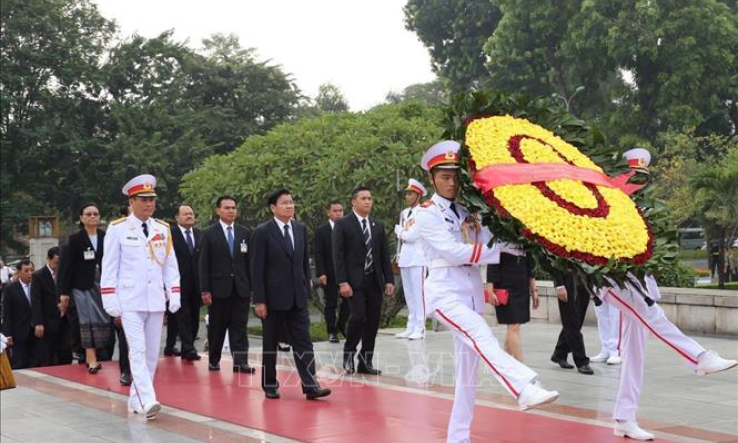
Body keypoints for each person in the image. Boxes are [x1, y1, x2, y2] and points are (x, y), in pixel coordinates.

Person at [414, 140, 559, 443]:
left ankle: (458, 437)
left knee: (467, 374)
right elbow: (453, 251)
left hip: (468, 291)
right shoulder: (426, 213)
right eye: (444, 177)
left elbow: (491, 237)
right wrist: (499, 251)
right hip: (443, 292)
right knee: (482, 334)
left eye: (455, 176)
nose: (451, 182)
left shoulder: (468, 210)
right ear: (432, 178)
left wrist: (520, 233)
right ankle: (523, 387)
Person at [598, 274, 737, 439]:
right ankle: (699, 357)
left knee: (634, 354)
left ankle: (624, 417)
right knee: (653, 315)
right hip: (611, 278)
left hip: (631, 277)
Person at [101, 174, 181, 419]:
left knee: (149, 354)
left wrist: (174, 292)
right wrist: (110, 299)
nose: (149, 204)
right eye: (143, 199)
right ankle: (148, 399)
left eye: (152, 199)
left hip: (155, 300)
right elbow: (109, 267)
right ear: (131, 202)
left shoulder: (162, 229)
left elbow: (170, 265)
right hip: (130, 300)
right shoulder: (118, 229)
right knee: (136, 350)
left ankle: (135, 400)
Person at [251, 188, 332, 400]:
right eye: (285, 203)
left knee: (303, 341)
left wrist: (307, 287)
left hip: (297, 297)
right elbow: (257, 268)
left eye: (291, 202)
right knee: (271, 343)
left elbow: (304, 262)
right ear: (273, 208)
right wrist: (259, 300)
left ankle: (310, 384)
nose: (290, 206)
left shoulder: (300, 229)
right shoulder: (263, 232)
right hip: (272, 298)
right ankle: (270, 384)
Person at [333, 186, 394, 376]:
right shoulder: (343, 224)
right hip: (353, 281)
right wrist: (342, 281)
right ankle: (348, 354)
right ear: (353, 201)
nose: (368, 201)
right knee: (358, 317)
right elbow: (338, 256)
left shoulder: (377, 225)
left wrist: (389, 280)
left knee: (373, 322)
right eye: (363, 198)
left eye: (370, 198)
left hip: (374, 280)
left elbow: (384, 255)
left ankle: (365, 361)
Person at [199, 195, 254, 373]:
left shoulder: (244, 232)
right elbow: (203, 264)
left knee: (239, 326)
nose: (231, 211)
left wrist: (251, 287)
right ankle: (214, 360)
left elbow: (249, 263)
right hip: (218, 289)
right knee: (217, 327)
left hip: (240, 288)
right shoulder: (208, 233)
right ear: (218, 210)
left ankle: (240, 361)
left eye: (233, 208)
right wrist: (205, 290)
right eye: (227, 207)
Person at [57, 203, 113, 375]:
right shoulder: (75, 239)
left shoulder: (107, 236)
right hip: (81, 287)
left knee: (102, 321)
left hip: (102, 285)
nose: (92, 216)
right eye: (88, 214)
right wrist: (64, 293)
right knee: (86, 321)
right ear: (81, 218)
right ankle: (91, 358)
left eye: (95, 213)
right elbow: (67, 267)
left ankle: (97, 355)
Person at [485, 244, 538, 362]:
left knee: (515, 328)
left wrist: (534, 290)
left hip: (522, 286)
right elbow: (492, 262)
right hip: (505, 286)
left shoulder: (525, 236)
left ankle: (504, 365)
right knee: (513, 327)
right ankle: (523, 371)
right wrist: (490, 289)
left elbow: (530, 264)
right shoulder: (500, 233)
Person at [394, 178, 428, 340]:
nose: (407, 196)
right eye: (406, 193)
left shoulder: (423, 212)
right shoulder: (404, 213)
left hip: (418, 257)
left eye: (410, 193)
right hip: (406, 258)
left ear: (418, 195)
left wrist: (399, 231)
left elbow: (412, 236)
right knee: (409, 294)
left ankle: (420, 327)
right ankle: (411, 326)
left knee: (418, 294)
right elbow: (404, 239)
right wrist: (402, 233)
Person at [315, 200, 349, 343]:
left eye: (340, 210)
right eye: (335, 211)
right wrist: (321, 272)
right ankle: (331, 331)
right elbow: (318, 253)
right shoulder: (322, 230)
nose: (338, 213)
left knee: (349, 302)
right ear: (328, 212)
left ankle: (342, 325)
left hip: (346, 273)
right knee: (331, 303)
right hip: (329, 273)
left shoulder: (348, 228)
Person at [171, 205, 202, 361]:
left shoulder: (199, 234)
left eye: (191, 213)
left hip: (197, 284)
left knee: (195, 317)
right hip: (179, 283)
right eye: (185, 214)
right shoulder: (171, 234)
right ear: (177, 217)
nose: (189, 216)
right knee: (183, 317)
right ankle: (188, 348)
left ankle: (187, 347)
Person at [30, 247, 70, 366]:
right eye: (56, 261)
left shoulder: (65, 274)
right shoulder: (39, 276)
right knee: (47, 355)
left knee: (66, 352)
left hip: (65, 320)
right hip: (47, 321)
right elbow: (35, 300)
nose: (58, 265)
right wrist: (38, 322)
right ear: (48, 259)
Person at [550, 270, 594, 375]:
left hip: (585, 281)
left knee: (577, 321)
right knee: (571, 321)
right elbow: (555, 263)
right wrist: (559, 284)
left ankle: (560, 353)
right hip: (567, 282)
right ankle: (581, 361)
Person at [1, 260, 36, 369]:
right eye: (26, 271)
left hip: (36, 331)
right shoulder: (10, 289)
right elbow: (6, 313)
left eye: (31, 270)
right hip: (18, 331)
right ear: (19, 272)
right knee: (20, 362)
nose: (30, 273)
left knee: (35, 361)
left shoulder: (37, 287)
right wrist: (8, 334)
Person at [590, 301, 622, 365]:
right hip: (601, 291)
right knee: (601, 315)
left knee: (615, 315)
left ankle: (615, 351)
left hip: (616, 291)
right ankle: (606, 349)